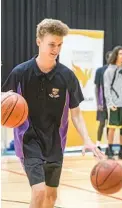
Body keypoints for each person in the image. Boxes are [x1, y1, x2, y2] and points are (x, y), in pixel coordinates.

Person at [1, 18, 103, 208]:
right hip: (28, 140)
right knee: (39, 191)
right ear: (39, 41)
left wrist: (87, 139)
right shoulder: (20, 73)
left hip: (55, 142)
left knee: (51, 197)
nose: (56, 49)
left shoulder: (67, 76)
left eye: (59, 45)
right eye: (51, 44)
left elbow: (76, 114)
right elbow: (4, 103)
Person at [94, 51, 111, 152]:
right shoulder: (100, 71)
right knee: (102, 123)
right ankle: (98, 145)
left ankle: (109, 146)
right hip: (102, 102)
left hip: (112, 102)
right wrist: (98, 103)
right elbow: (97, 88)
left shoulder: (116, 71)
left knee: (110, 125)